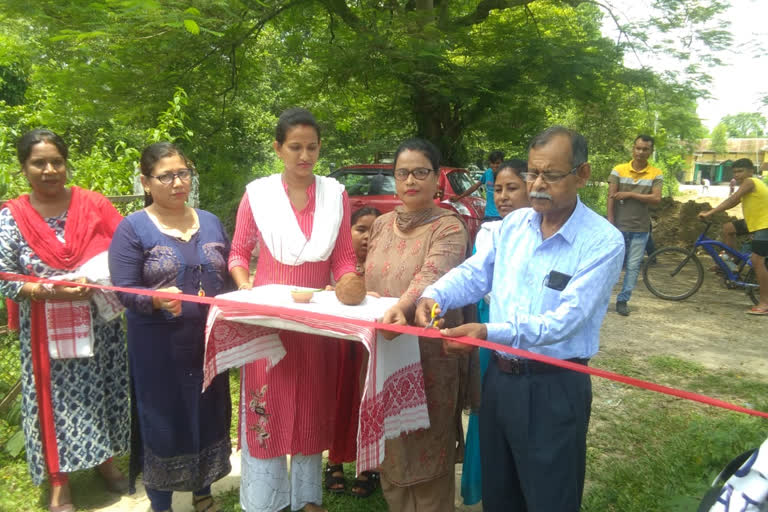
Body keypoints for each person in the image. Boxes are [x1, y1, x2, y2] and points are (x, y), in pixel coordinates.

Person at [415, 126, 625, 512]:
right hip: (499, 381)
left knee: (550, 498)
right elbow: (477, 273)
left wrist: (487, 331)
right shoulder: (514, 226)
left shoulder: (602, 241)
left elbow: (565, 321)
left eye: (552, 175)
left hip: (554, 387)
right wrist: (433, 295)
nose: (538, 185)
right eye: (532, 173)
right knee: (501, 495)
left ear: (582, 174)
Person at [229, 108, 365, 512]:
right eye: (295, 147)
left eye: (312, 147)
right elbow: (238, 252)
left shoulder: (335, 194)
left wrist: (348, 280)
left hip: (315, 322)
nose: (304, 156)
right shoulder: (258, 194)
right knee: (269, 405)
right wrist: (246, 288)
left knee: (309, 405)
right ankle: (265, 502)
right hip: (269, 320)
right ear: (278, 149)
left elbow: (342, 257)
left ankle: (307, 500)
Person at [0, 129, 130, 512]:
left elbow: (125, 245)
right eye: (39, 162)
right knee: (55, 404)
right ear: (24, 168)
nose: (50, 169)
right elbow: (3, 275)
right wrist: (46, 291)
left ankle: (105, 461)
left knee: (104, 393)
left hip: (100, 322)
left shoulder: (92, 204)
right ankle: (59, 481)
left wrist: (101, 276)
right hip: (46, 328)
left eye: (56, 161)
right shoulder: (12, 217)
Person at [108, 142, 232, 512]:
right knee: (164, 419)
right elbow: (123, 289)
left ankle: (203, 493)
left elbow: (224, 280)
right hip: (158, 350)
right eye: (166, 176)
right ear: (146, 182)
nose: (178, 182)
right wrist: (156, 298)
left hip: (207, 344)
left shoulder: (209, 221)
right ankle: (160, 503)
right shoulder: (133, 229)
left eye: (183, 173)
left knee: (209, 412)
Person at [370, 138, 474, 511]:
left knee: (428, 448)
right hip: (385, 354)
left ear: (436, 180)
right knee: (392, 448)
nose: (410, 180)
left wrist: (401, 305)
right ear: (394, 180)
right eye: (402, 173)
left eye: (420, 172)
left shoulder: (449, 227)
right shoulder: (381, 225)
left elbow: (431, 276)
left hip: (431, 358)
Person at [461, 158, 529, 506]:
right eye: (497, 189)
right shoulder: (489, 232)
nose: (502, 197)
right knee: (486, 405)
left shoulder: (541, 237)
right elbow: (476, 282)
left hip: (524, 338)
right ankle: (485, 485)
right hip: (488, 330)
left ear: (532, 189)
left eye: (512, 188)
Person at [326, 206, 381, 498]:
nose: (367, 237)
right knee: (337, 400)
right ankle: (333, 461)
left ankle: (367, 465)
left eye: (374, 231)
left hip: (368, 352)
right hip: (337, 349)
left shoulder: (383, 267)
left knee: (365, 401)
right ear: (347, 233)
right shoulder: (334, 265)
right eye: (361, 229)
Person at [699, 158, 768, 315]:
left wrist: (710, 212)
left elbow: (732, 199)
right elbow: (734, 203)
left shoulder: (750, 182)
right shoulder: (750, 184)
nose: (737, 175)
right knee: (728, 228)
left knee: (757, 261)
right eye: (735, 172)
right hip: (756, 222)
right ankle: (731, 265)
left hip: (765, 224)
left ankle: (765, 304)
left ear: (750, 171)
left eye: (740, 171)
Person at [607, 134, 663, 316]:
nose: (641, 152)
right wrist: (610, 221)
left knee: (632, 266)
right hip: (618, 227)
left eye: (645, 149)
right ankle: (600, 298)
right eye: (638, 148)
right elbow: (611, 197)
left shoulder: (656, 173)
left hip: (640, 228)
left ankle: (623, 300)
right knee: (610, 264)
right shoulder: (619, 170)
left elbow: (656, 199)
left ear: (651, 151)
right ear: (633, 148)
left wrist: (630, 194)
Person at [451, 150, 504, 221]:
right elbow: (475, 186)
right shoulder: (488, 173)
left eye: (498, 163)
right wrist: (459, 197)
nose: (495, 166)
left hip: (503, 216)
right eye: (492, 163)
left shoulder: (506, 175)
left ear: (502, 163)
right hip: (489, 216)